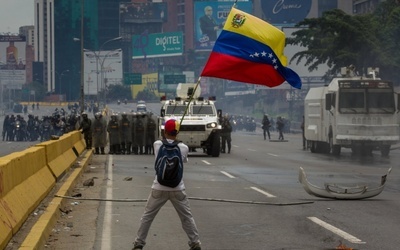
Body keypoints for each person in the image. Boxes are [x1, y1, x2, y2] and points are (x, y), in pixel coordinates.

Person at [132, 119, 201, 250]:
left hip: (158, 187)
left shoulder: (157, 144)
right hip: (178, 188)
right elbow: (184, 160)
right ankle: (195, 243)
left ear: (164, 131)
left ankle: (139, 243)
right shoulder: (183, 147)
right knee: (186, 217)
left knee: (147, 217)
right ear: (177, 132)